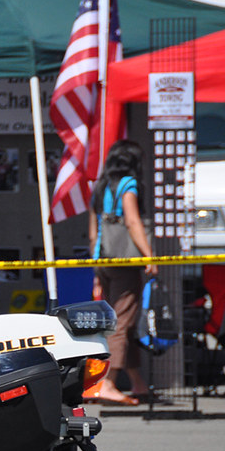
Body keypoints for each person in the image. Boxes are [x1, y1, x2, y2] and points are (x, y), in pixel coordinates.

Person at [87, 140, 158, 406]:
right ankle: (106, 383)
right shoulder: (128, 184)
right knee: (121, 322)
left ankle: (137, 383)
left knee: (120, 322)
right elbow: (132, 220)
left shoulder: (99, 186)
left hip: (103, 259)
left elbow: (93, 230)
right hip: (125, 261)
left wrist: (95, 265)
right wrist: (149, 254)